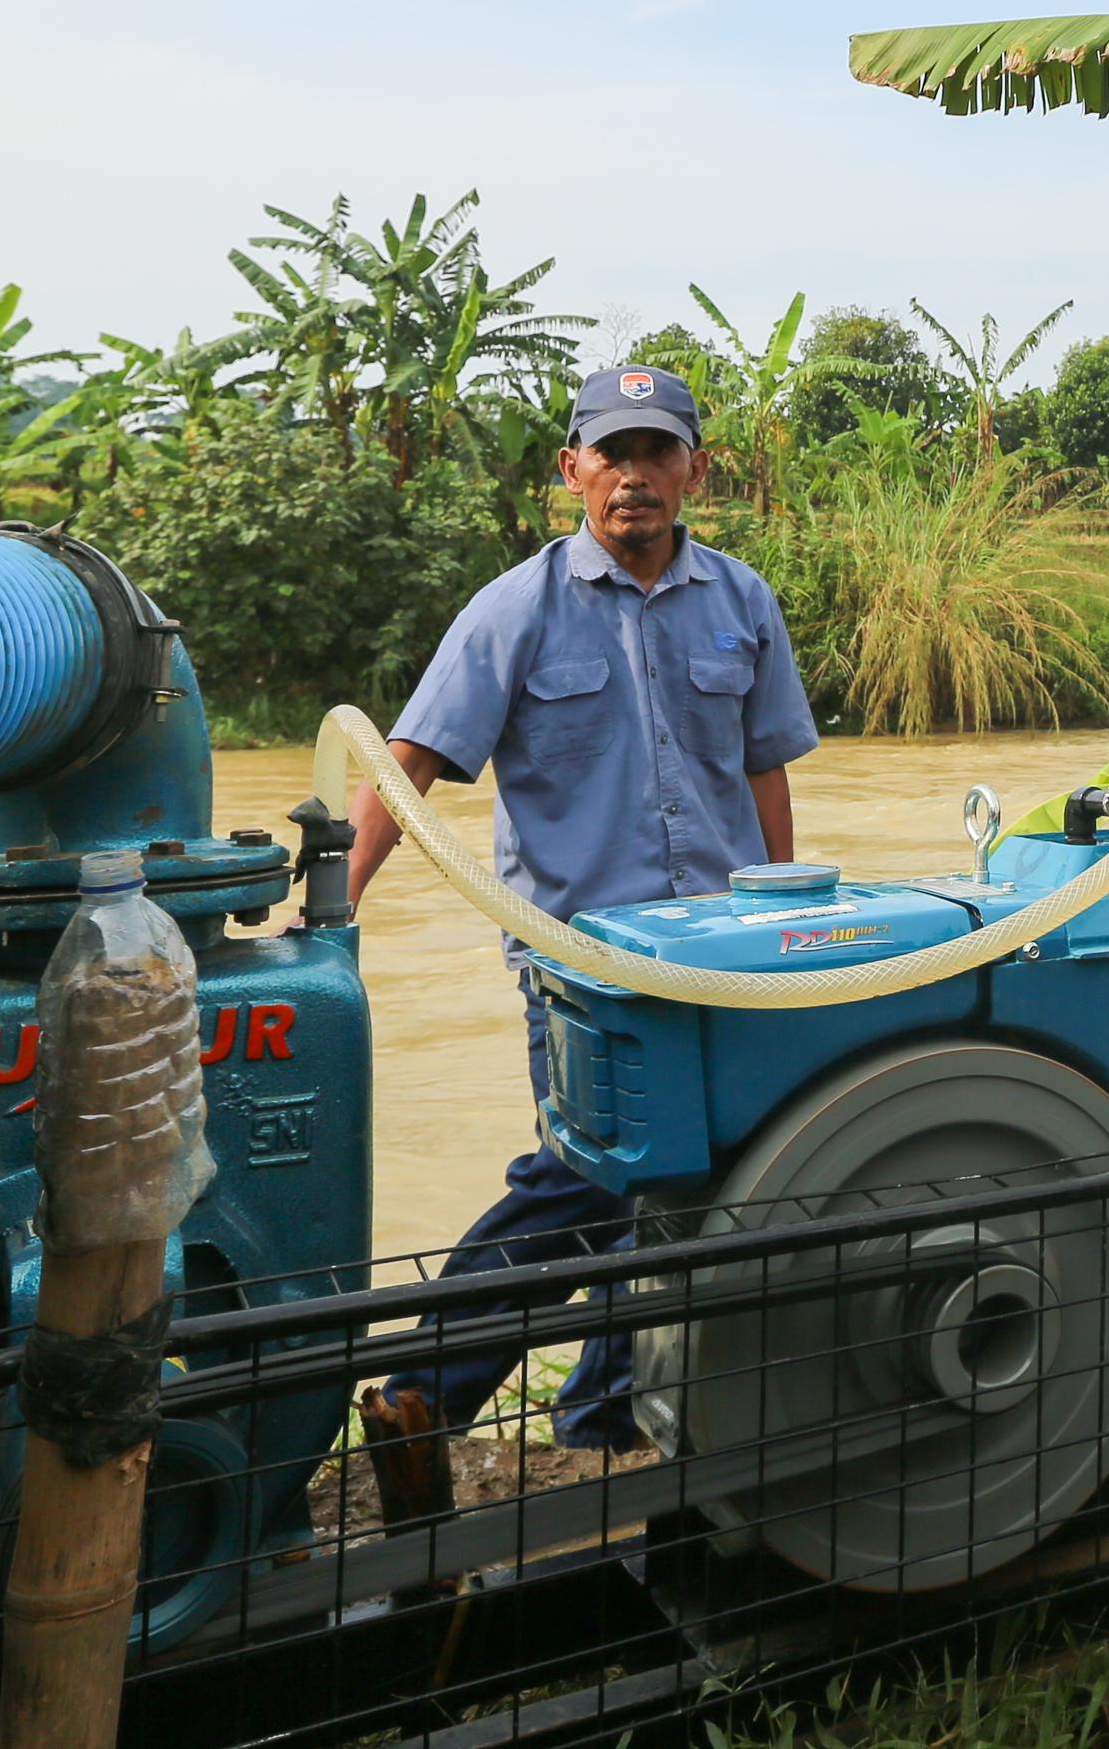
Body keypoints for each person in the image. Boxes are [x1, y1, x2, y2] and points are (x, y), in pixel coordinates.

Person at [346, 361, 818, 1482]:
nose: (634, 476)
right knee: (586, 1178)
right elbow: (404, 764)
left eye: (658, 452)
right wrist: (330, 905)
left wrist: (790, 921)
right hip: (582, 964)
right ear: (573, 472)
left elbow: (763, 775)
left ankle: (601, 1416)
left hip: (722, 959)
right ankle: (427, 1386)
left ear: (695, 469)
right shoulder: (516, 607)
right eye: (612, 453)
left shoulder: (742, 602)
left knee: (688, 1190)